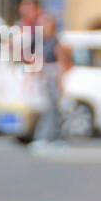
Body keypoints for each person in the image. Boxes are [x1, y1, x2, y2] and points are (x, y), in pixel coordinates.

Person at [30, 11, 72, 149]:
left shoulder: (55, 42)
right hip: (44, 78)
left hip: (52, 77)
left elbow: (60, 63)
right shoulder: (40, 42)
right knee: (46, 109)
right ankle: (45, 137)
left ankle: (53, 137)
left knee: (53, 109)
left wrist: (60, 82)